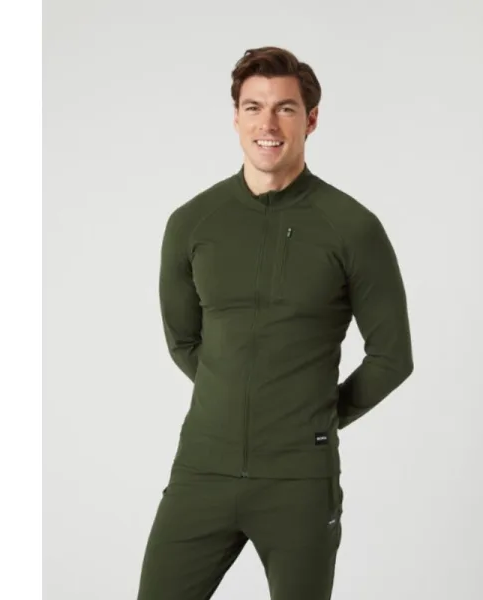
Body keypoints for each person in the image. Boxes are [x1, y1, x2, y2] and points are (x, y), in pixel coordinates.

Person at [136, 46, 414, 600]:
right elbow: (184, 340)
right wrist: (237, 400)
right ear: (236, 117)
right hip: (202, 471)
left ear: (311, 119)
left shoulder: (351, 227)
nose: (268, 124)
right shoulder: (193, 223)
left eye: (285, 108)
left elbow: (392, 357)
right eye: (253, 107)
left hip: (299, 481)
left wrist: (314, 415)